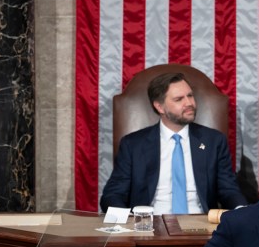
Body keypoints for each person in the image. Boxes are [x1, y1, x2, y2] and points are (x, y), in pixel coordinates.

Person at [100, 72, 248, 213]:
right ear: (160, 107)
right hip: (149, 227)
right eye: (179, 99)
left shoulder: (214, 141)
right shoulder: (133, 144)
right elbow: (113, 194)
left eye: (190, 96)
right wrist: (128, 222)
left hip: (201, 225)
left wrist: (241, 210)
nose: (189, 103)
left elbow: (228, 189)